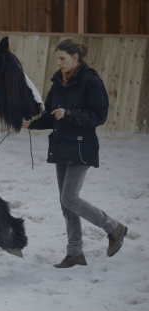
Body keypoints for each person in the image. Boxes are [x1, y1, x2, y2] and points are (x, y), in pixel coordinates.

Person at [22, 39, 127, 268]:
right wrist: (30, 124)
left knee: (69, 198)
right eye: (57, 58)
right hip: (61, 146)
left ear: (76, 58)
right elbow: (50, 116)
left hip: (81, 147)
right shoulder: (58, 82)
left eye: (62, 58)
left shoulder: (91, 82)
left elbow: (99, 116)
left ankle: (114, 228)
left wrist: (68, 113)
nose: (58, 62)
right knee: (66, 203)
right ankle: (75, 253)